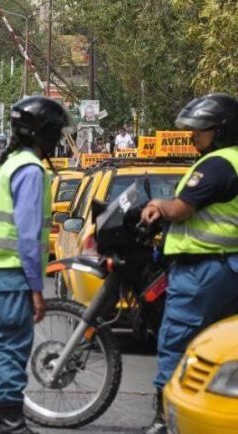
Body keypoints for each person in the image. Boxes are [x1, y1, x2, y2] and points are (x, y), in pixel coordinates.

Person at [0, 96, 72, 433]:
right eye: (56, 133)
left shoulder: (6, 163)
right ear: (43, 133)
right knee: (13, 346)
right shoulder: (30, 170)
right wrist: (36, 288)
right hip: (11, 268)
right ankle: (11, 422)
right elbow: (28, 236)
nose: (58, 140)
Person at [140, 93, 238, 434]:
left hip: (203, 269)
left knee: (175, 339)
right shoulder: (232, 160)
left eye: (201, 130)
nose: (193, 136)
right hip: (225, 268)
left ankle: (166, 418)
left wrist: (158, 205)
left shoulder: (219, 164)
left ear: (222, 130)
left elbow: (182, 209)